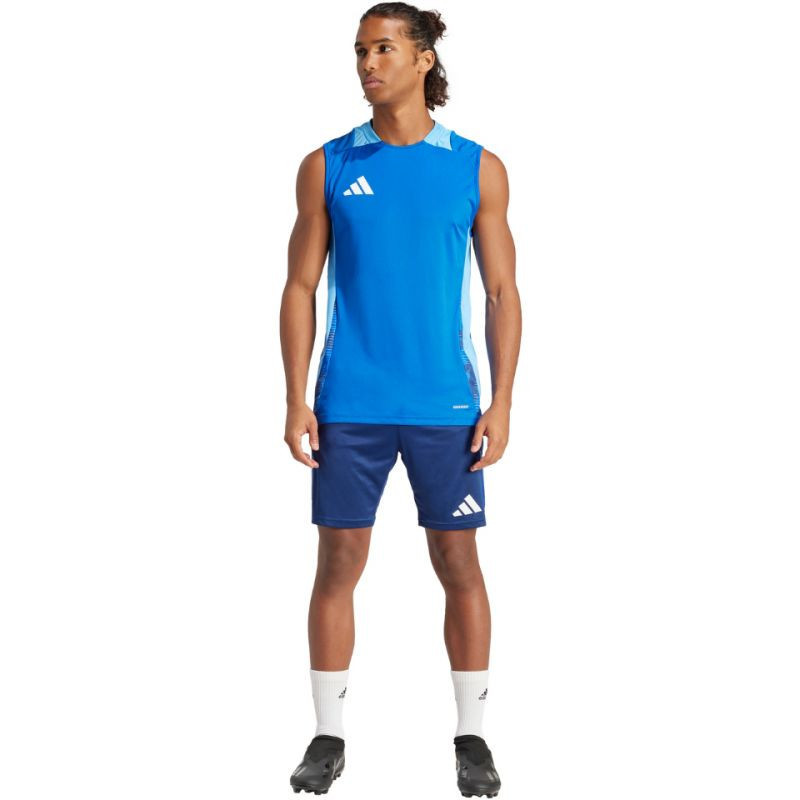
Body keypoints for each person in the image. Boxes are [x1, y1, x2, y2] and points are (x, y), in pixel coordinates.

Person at [280, 3, 521, 796]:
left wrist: (502, 402)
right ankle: (327, 735)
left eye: (384, 48)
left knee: (459, 561)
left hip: (446, 406)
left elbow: (502, 292)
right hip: (349, 402)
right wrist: (295, 398)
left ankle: (472, 738)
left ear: (423, 60)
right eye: (360, 50)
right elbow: (300, 286)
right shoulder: (327, 164)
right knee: (338, 562)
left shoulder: (476, 167)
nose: (367, 63)